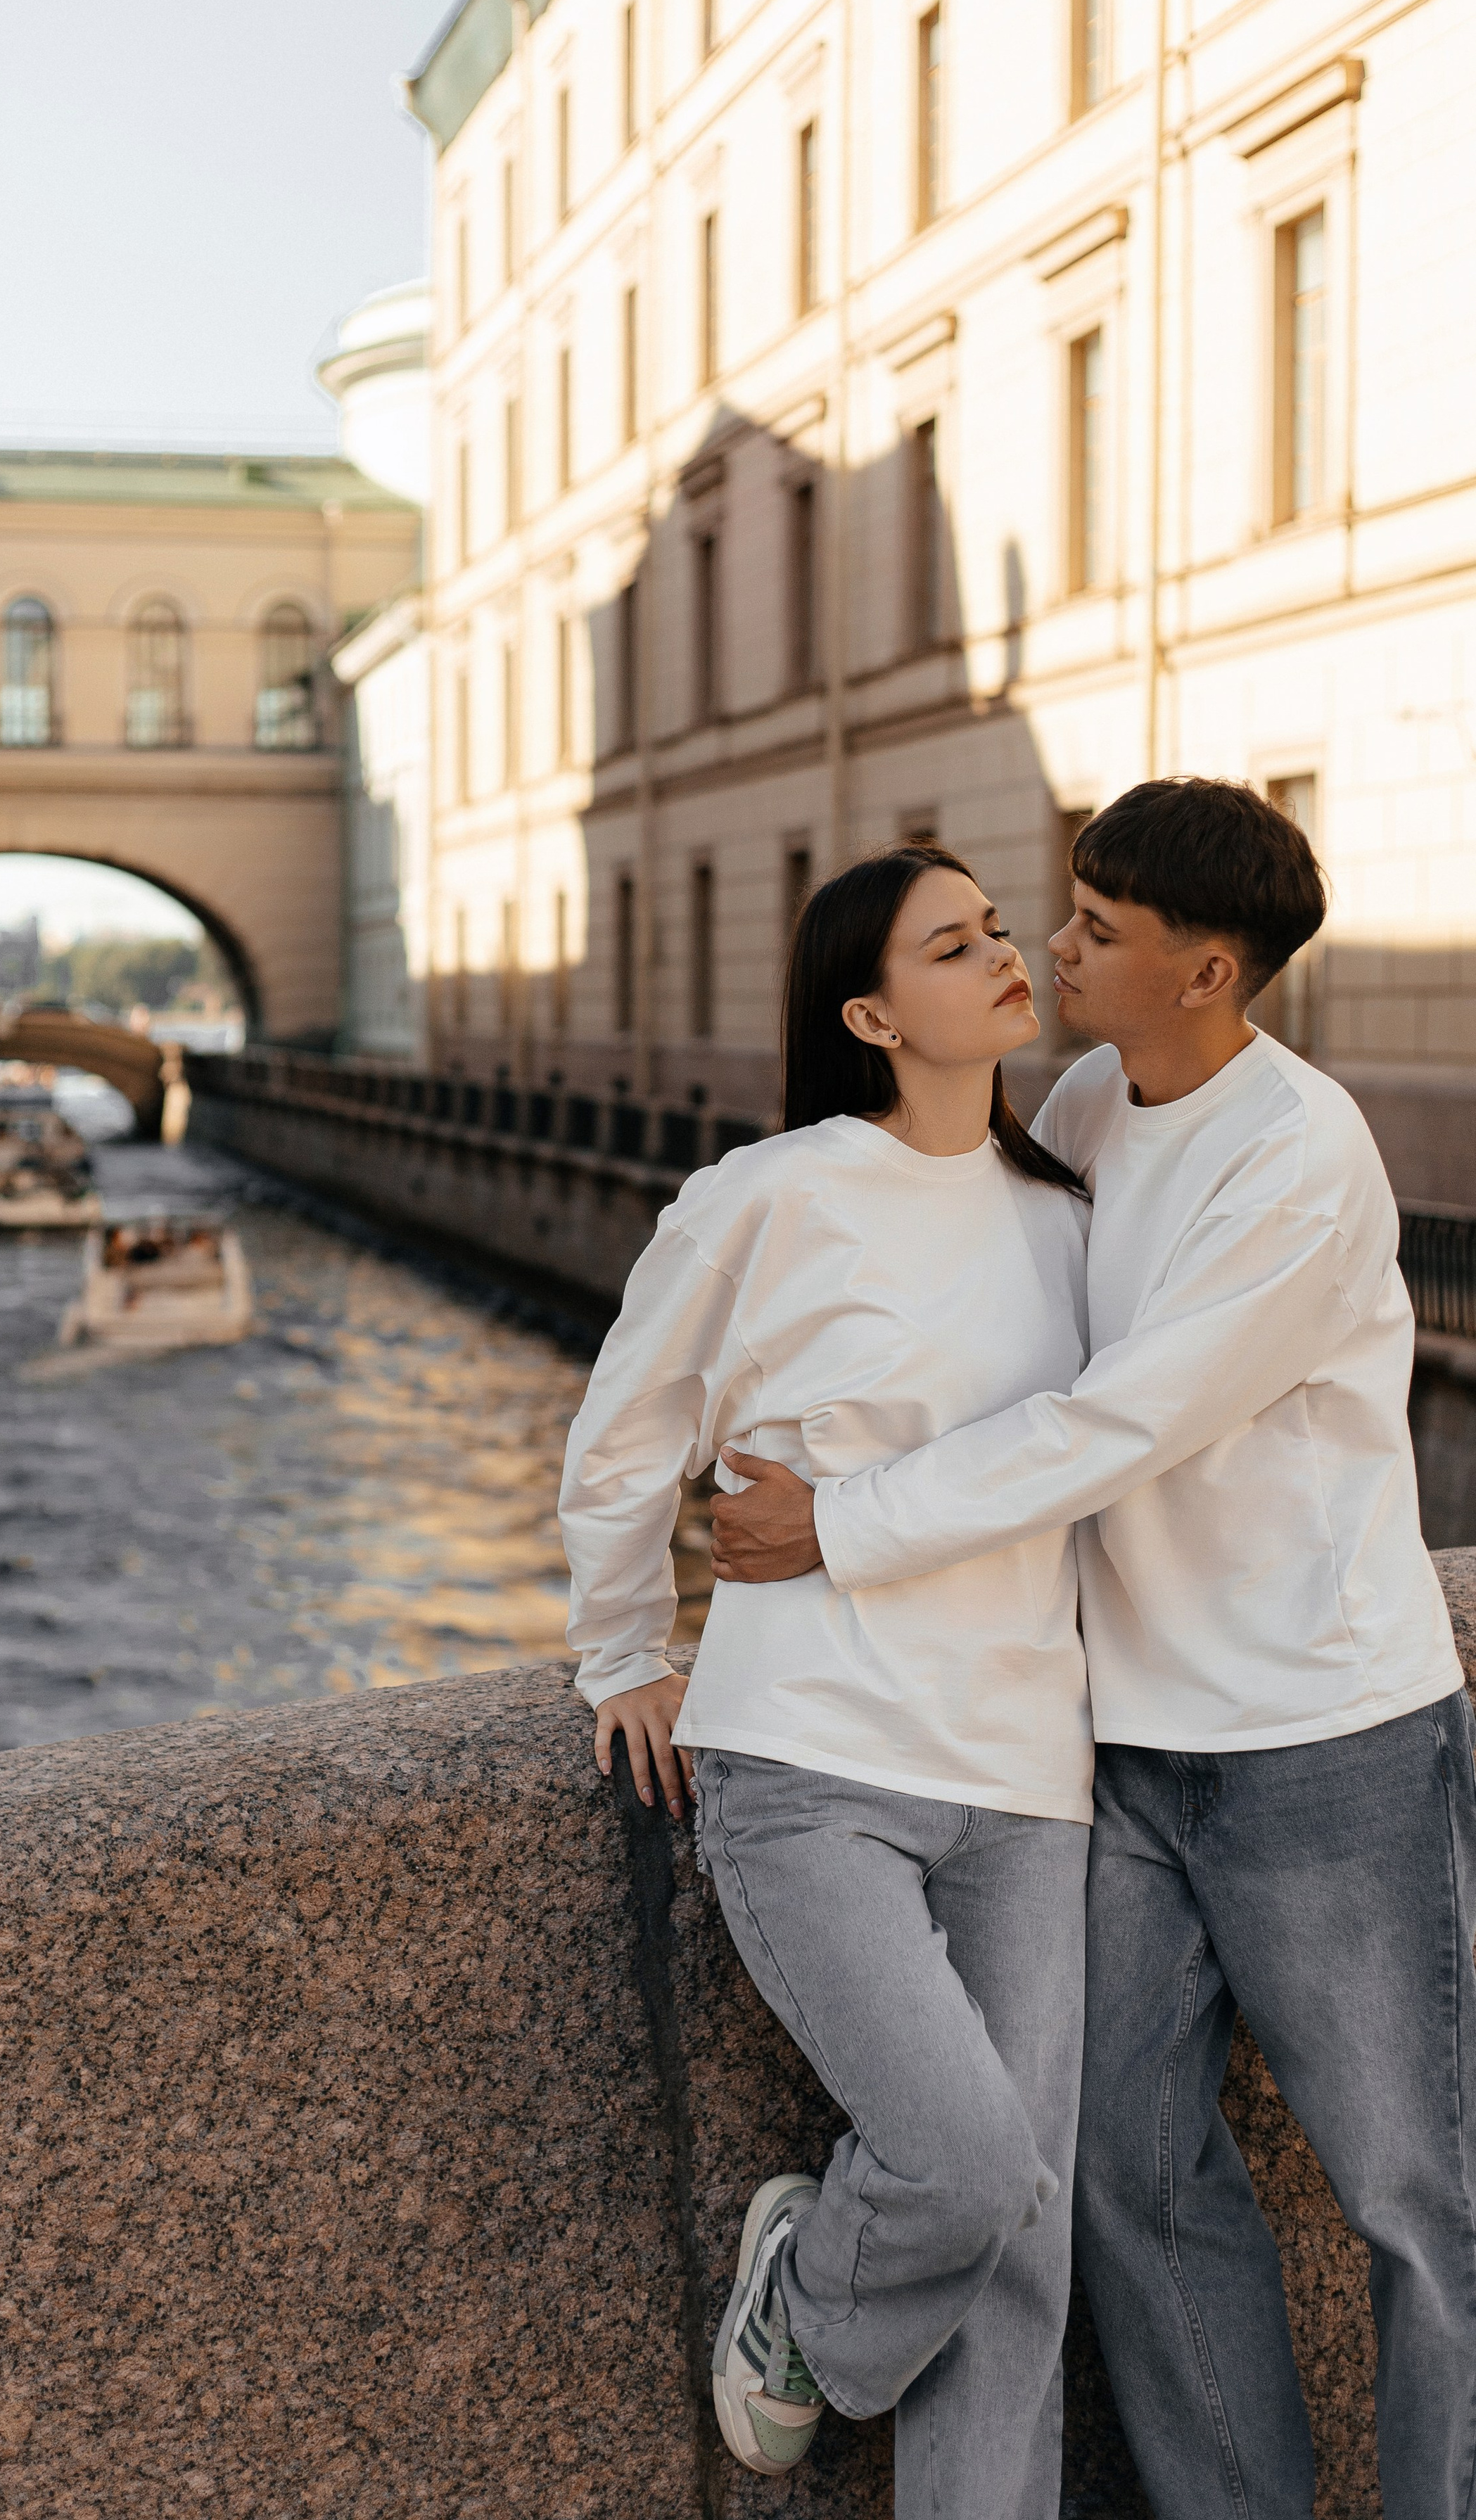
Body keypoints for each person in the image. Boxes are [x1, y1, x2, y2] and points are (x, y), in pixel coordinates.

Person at [711, 778, 1472, 2520]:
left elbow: (1104, 1426)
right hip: (1110, 1748)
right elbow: (946, 1320)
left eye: (1094, 932)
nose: (1050, 946)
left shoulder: (1298, 1160)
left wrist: (836, 1524)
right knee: (1126, 2187)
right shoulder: (1083, 1101)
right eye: (1058, 913)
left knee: (1420, 2204)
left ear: (1204, 973)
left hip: (1321, 1742)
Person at [561, 843, 1096, 2516]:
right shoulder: (770, 1192)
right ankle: (802, 2295)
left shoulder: (1069, 1216)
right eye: (954, 945)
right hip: (809, 1764)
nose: (1003, 955)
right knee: (961, 2162)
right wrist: (624, 1650)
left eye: (999, 928)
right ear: (870, 1012)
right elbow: (625, 1430)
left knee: (1026, 2237)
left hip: (1027, 1770)